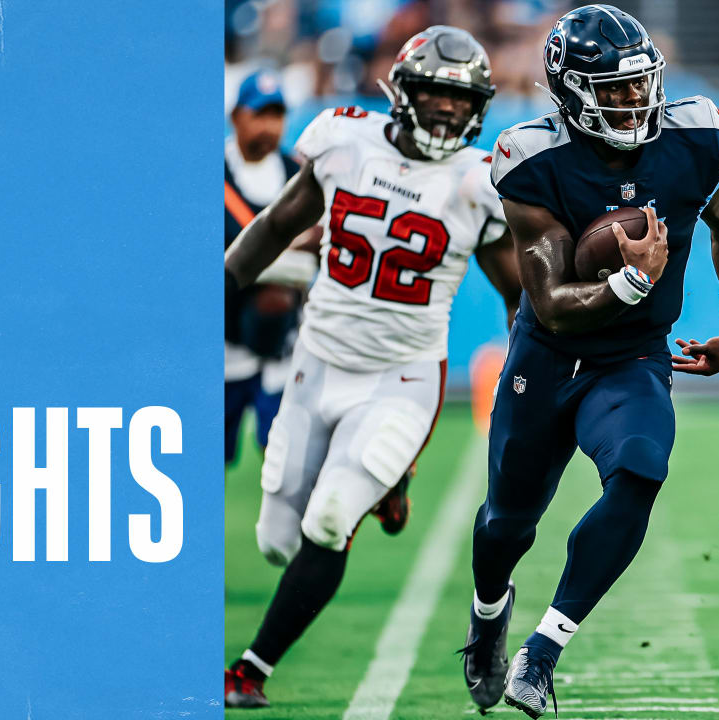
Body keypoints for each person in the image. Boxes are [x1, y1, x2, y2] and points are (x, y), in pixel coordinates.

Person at [459, 5, 719, 718]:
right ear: (570, 92)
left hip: (631, 359)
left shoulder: (698, 139)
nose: (633, 101)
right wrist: (632, 280)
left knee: (640, 471)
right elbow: (553, 300)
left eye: (639, 84)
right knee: (508, 522)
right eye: (613, 89)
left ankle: (543, 649)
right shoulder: (532, 157)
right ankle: (488, 617)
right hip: (549, 355)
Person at [223, 26, 522, 708]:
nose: (448, 110)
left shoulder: (479, 182)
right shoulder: (344, 141)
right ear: (402, 92)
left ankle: (252, 668)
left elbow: (518, 297)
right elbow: (274, 226)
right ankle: (390, 484)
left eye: (460, 98)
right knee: (275, 541)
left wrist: (529, 379)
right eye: (435, 93)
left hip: (402, 377)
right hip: (318, 360)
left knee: (328, 522)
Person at [225, 70, 319, 469]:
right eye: (260, 114)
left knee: (288, 463)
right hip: (223, 344)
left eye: (277, 115)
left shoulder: (298, 175)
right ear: (236, 117)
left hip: (284, 346)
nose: (269, 126)